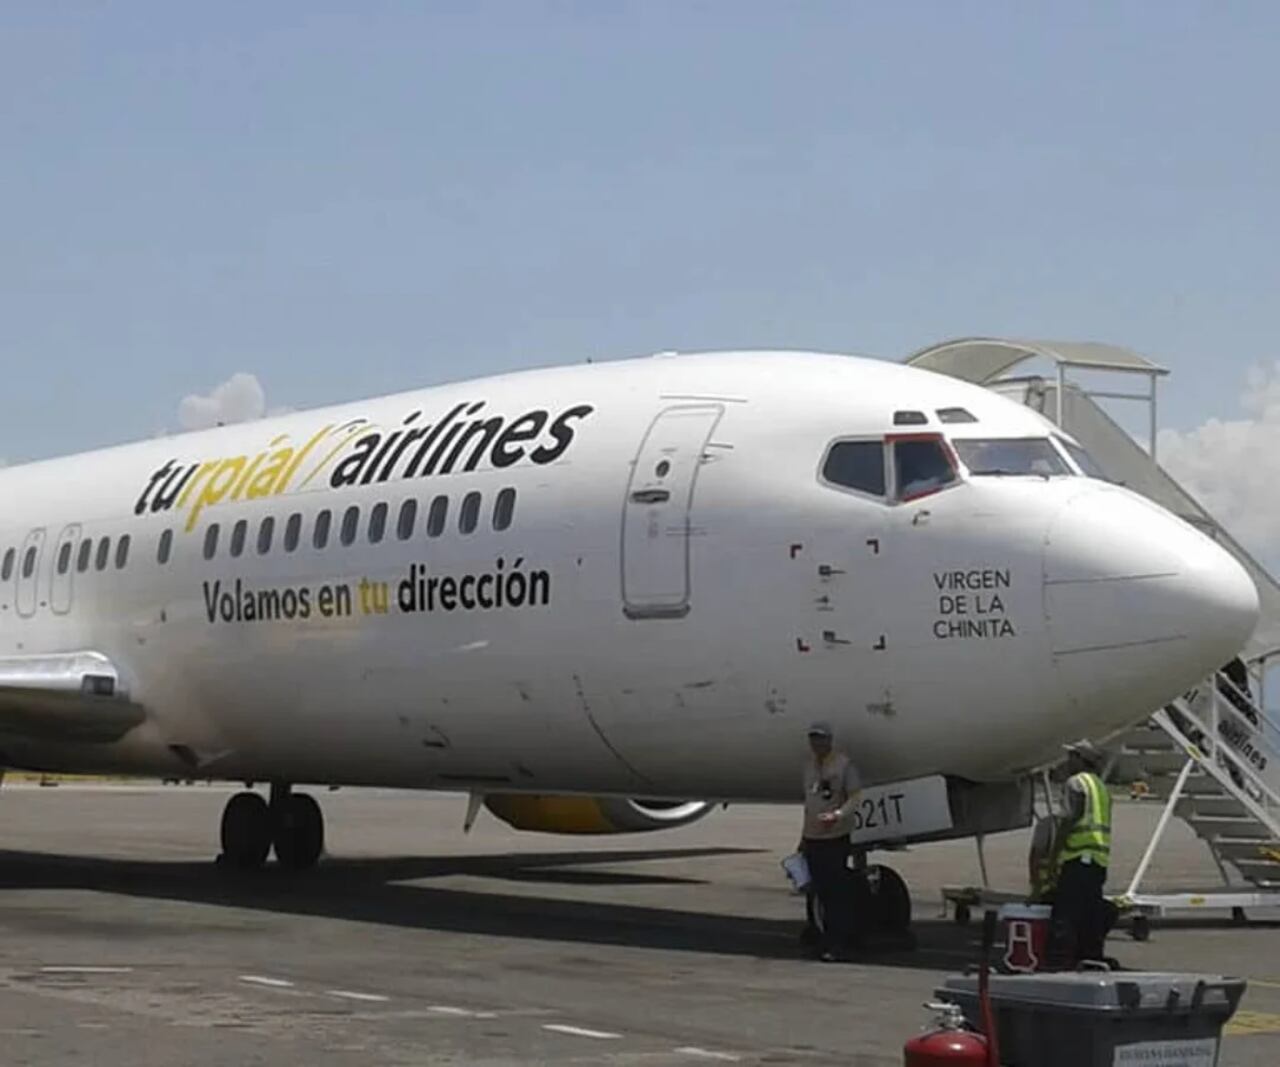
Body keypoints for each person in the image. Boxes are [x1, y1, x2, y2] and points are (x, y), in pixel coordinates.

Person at [798, 721, 862, 961]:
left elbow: (855, 796)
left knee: (836, 895)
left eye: (821, 738)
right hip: (813, 837)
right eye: (813, 738)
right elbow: (810, 805)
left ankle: (839, 944)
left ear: (830, 740)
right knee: (819, 892)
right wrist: (803, 838)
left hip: (835, 837)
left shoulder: (844, 765)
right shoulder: (809, 767)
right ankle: (823, 940)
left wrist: (838, 815)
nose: (817, 743)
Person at [1050, 741, 1113, 966]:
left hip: (1077, 857)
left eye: (1071, 756)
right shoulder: (1100, 787)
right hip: (1098, 859)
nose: (1067, 761)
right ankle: (1091, 958)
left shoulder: (1076, 783)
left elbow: (1069, 819)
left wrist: (1054, 854)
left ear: (1079, 759)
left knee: (1066, 913)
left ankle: (1061, 960)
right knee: (1090, 913)